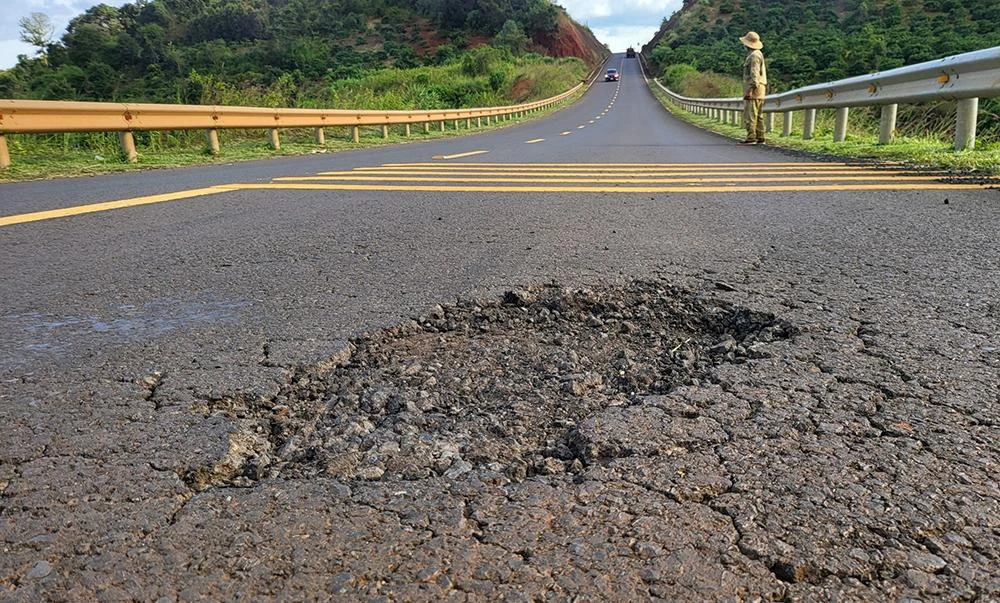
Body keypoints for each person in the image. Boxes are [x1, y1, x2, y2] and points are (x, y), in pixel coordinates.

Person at [740, 31, 767, 144]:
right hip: (760, 88)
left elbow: (754, 74)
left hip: (755, 88)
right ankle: (760, 136)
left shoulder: (754, 56)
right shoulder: (758, 53)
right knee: (758, 114)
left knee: (751, 113)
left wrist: (750, 89)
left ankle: (751, 137)